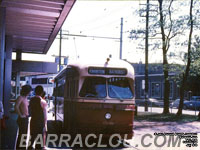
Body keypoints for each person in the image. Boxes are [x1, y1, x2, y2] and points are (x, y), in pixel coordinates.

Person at [15, 85, 32, 150]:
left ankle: (22, 147)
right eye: (29, 91)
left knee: (24, 134)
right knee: (22, 134)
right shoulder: (20, 97)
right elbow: (16, 106)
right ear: (26, 91)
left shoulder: (25, 98)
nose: (30, 92)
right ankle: (20, 148)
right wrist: (20, 115)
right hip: (22, 119)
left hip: (25, 118)